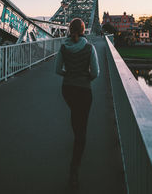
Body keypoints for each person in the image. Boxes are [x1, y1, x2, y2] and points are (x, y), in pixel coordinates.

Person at [55, 18, 100, 189]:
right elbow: (95, 73)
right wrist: (85, 77)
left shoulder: (64, 47)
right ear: (83, 30)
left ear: (69, 29)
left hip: (67, 89)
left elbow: (57, 70)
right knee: (82, 126)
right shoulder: (89, 48)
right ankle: (74, 170)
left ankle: (77, 138)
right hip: (84, 90)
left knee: (75, 115)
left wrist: (69, 74)